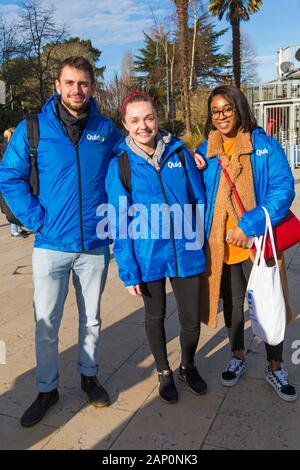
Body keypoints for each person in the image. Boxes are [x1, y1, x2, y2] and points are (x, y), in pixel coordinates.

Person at [0, 56, 123, 427]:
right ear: (58, 85)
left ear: (92, 87)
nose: (76, 90)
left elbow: (134, 160)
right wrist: (38, 219)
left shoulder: (106, 129)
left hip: (94, 246)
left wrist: (187, 155)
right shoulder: (33, 128)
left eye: (83, 83)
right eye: (69, 83)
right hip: (51, 245)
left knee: (92, 320)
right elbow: (10, 177)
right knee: (46, 322)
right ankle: (46, 388)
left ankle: (88, 377)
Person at [195, 85, 297, 402]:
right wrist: (193, 166)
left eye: (227, 109)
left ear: (239, 109)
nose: (221, 115)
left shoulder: (263, 145)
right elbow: (193, 190)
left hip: (257, 245)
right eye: (215, 111)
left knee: (269, 305)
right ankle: (237, 356)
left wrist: (248, 225)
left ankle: (275, 366)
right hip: (222, 247)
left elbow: (283, 189)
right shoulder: (205, 151)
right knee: (234, 308)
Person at [105, 91, 207, 404]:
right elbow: (118, 221)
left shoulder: (179, 154)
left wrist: (201, 240)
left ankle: (187, 366)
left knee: (190, 320)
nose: (143, 126)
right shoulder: (120, 164)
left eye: (148, 117)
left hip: (186, 251)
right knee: (156, 316)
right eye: (135, 120)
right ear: (125, 123)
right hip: (148, 255)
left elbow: (199, 198)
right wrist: (128, 269)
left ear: (157, 117)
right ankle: (164, 372)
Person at [0, 127, 29, 238]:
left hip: (12, 174)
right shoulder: (9, 145)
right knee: (13, 202)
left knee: (14, 201)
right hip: (11, 174)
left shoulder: (5, 144)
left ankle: (18, 227)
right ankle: (14, 230)